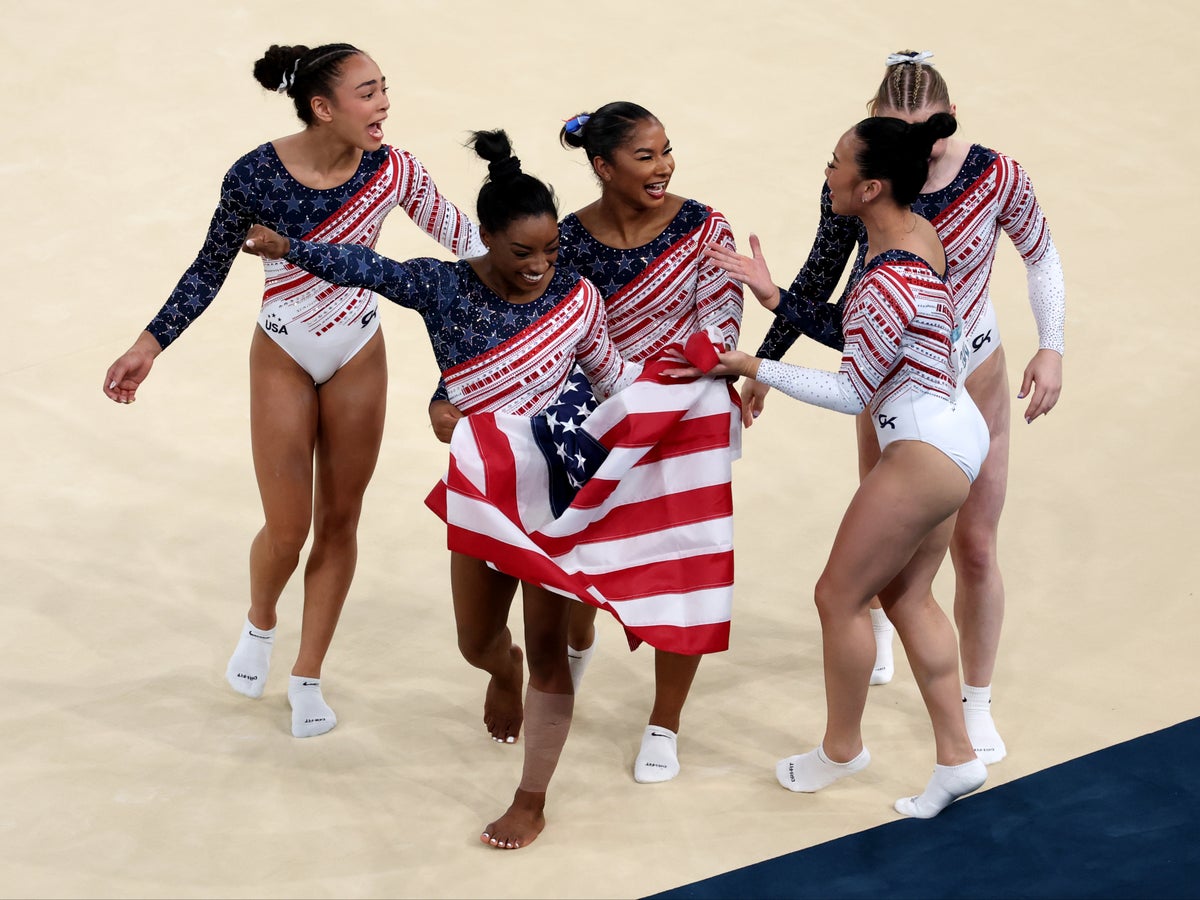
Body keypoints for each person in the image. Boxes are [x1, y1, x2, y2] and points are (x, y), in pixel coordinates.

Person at [243, 129, 646, 849]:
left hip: (555, 492)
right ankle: (503, 670)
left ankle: (531, 798)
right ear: (484, 237)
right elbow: (365, 268)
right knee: (476, 642)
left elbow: (613, 376)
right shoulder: (443, 286)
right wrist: (289, 248)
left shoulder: (577, 297)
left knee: (549, 651)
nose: (541, 267)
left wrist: (678, 410)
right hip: (483, 492)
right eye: (523, 253)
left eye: (551, 251)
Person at [102, 43, 485, 739]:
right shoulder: (255, 175)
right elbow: (208, 268)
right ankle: (261, 622)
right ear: (323, 106)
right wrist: (148, 343)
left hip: (356, 351)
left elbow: (466, 239)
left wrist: (543, 256)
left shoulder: (394, 168)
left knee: (340, 522)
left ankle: (307, 676)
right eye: (368, 93)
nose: (384, 105)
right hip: (282, 349)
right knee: (288, 529)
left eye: (384, 89)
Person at [709, 50, 1066, 763]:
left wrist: (1051, 343)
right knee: (884, 543)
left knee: (976, 546)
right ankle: (875, 636)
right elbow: (825, 274)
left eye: (924, 134)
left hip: (962, 379)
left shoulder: (992, 178)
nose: (909, 146)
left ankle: (975, 703)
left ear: (951, 120)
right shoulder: (867, 188)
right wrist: (770, 348)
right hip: (899, 386)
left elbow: (1040, 255)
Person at [674, 112, 988, 818]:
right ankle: (958, 758)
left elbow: (853, 389)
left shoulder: (886, 280)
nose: (827, 172)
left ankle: (841, 751)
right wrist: (777, 297)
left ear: (870, 186)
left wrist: (758, 364)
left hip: (922, 448)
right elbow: (862, 327)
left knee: (837, 596)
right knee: (909, 597)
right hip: (955, 431)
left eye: (836, 163)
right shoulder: (916, 237)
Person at [429, 101, 744, 784]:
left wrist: (657, 391)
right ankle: (568, 648)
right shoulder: (563, 238)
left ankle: (664, 722)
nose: (663, 168)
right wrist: (448, 392)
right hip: (589, 424)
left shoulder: (703, 228)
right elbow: (511, 322)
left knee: (677, 569)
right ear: (602, 167)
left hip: (680, 417)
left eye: (666, 152)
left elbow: (721, 331)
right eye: (645, 156)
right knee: (573, 559)